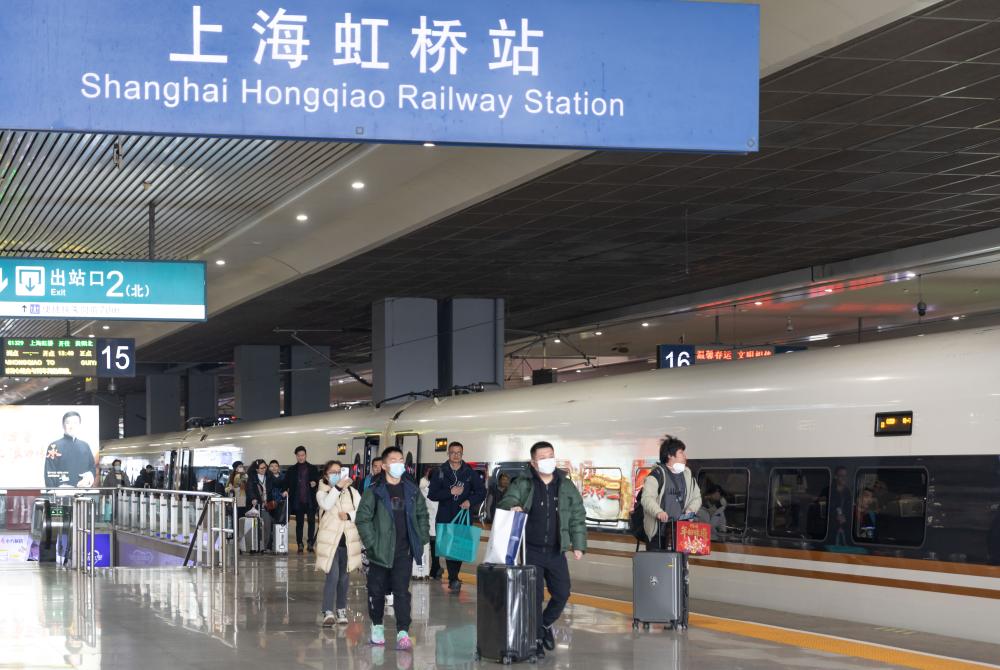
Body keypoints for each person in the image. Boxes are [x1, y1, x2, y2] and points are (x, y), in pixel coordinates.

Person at [498, 441, 586, 659]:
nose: (548, 460)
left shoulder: (565, 485)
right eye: (543, 457)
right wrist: (512, 506)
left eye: (551, 456)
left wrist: (579, 545)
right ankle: (536, 640)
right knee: (533, 598)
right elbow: (506, 501)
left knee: (562, 593)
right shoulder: (524, 483)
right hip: (531, 551)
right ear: (533, 462)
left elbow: (577, 515)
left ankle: (544, 624)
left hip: (556, 551)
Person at [355, 447, 430, 651]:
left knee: (402, 593)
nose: (399, 464)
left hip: (404, 552)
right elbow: (362, 519)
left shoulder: (412, 490)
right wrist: (372, 543)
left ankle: (403, 632)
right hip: (379, 553)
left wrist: (421, 537)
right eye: (394, 460)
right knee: (376, 591)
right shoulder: (374, 491)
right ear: (385, 466)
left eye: (401, 460)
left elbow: (422, 515)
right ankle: (377, 627)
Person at [428, 441, 487, 592]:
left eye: (459, 453)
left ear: (462, 454)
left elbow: (481, 491)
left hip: (463, 515)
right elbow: (432, 494)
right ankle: (453, 578)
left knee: (460, 547)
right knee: (448, 548)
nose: (456, 455)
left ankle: (454, 576)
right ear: (448, 453)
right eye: (453, 452)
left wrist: (470, 501)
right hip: (445, 515)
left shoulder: (469, 472)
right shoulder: (440, 472)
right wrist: (450, 492)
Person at [316, 460, 363, 626]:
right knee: (333, 574)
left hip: (348, 541)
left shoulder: (352, 492)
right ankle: (328, 610)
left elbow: (362, 511)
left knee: (344, 577)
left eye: (339, 472)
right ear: (326, 475)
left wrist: (349, 516)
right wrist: (337, 487)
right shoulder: (322, 492)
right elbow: (327, 504)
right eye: (333, 472)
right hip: (330, 542)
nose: (337, 475)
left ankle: (341, 609)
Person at [640, 435, 701, 552]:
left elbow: (697, 498)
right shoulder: (657, 475)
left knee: (679, 564)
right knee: (658, 563)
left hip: (680, 534)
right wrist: (658, 512)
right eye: (681, 453)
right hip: (658, 535)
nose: (685, 456)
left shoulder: (688, 476)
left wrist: (691, 509)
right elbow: (647, 498)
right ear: (670, 455)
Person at [43, 411, 96, 488]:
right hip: (62, 493)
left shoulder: (85, 446)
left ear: (79, 425)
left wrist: (89, 478)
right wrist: (55, 491)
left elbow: (92, 467)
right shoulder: (54, 446)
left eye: (75, 423)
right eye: (68, 423)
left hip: (84, 491)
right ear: (63, 425)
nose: (72, 426)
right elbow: (49, 473)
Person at [285, 446, 320, 554]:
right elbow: (286, 483)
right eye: (299, 455)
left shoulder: (313, 468)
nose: (301, 457)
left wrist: (315, 483)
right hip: (298, 501)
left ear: (306, 455)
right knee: (299, 524)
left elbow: (317, 481)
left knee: (311, 523)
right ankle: (300, 544)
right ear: (296, 456)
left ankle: (310, 543)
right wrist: (285, 490)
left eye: (302, 455)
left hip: (310, 501)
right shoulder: (291, 470)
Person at [245, 460, 275, 552]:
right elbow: (249, 490)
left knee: (267, 527)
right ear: (257, 469)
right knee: (255, 527)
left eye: (265, 467)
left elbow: (275, 486)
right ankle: (255, 546)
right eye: (261, 468)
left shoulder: (269, 476)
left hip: (267, 506)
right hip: (256, 506)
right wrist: (253, 498)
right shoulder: (252, 478)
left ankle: (264, 547)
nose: (264, 469)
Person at [419, 467, 442, 580]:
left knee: (427, 548)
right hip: (436, 524)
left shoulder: (424, 490)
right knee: (434, 548)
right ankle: (435, 569)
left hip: (428, 524)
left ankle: (428, 569)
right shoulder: (440, 491)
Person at [825, 466, 852, 545]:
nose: (844, 478)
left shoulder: (848, 492)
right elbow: (824, 508)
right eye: (841, 476)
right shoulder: (829, 490)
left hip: (845, 528)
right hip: (830, 529)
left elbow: (849, 509)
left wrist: (845, 517)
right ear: (835, 476)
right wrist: (835, 515)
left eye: (845, 476)